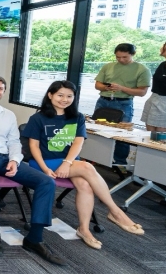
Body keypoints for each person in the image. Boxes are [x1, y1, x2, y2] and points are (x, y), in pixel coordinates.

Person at [23, 81, 144, 250]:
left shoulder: (77, 117)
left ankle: (84, 229)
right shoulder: (38, 118)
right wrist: (45, 168)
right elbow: (33, 147)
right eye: (60, 95)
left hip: (70, 164)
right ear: (50, 95)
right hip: (43, 163)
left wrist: (67, 163)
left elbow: (78, 143)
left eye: (69, 96)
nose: (64, 99)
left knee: (85, 185)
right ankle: (115, 211)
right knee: (87, 167)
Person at [0, 75, 65, 265]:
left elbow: (15, 143)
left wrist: (15, 161)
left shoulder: (9, 115)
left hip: (5, 159)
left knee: (46, 181)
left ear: (4, 91)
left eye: (0, 88)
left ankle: (35, 238)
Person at [93, 43, 151, 164]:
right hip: (103, 101)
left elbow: (142, 92)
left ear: (132, 54)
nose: (121, 60)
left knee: (122, 135)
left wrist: (122, 88)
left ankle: (120, 163)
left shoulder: (142, 69)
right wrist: (106, 87)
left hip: (124, 103)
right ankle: (96, 157)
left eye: (124, 57)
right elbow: (97, 85)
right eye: (118, 57)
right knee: (96, 130)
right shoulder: (108, 66)